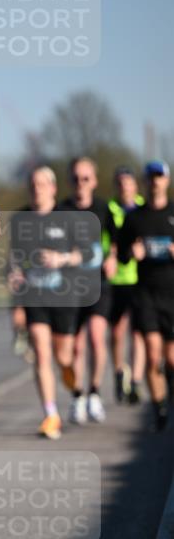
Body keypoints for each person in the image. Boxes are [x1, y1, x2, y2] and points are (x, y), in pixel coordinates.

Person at [7, 166, 82, 439]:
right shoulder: (20, 219)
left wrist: (61, 259)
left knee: (63, 356)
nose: (37, 188)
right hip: (34, 295)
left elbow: (83, 254)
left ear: (53, 188)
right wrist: (14, 278)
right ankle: (51, 414)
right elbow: (14, 259)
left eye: (42, 184)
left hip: (64, 296)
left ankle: (75, 388)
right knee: (41, 351)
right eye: (33, 184)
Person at [118, 161, 174, 431]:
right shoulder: (135, 217)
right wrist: (132, 253)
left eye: (159, 177)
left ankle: (169, 394)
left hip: (172, 294)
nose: (155, 181)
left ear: (167, 180)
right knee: (153, 356)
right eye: (151, 177)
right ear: (145, 181)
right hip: (146, 295)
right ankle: (160, 408)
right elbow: (121, 255)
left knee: (172, 357)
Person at [61, 157, 114, 424]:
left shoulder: (103, 208)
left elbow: (116, 239)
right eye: (75, 179)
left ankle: (95, 393)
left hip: (99, 283)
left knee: (96, 337)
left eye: (85, 178)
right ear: (70, 181)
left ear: (93, 181)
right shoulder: (63, 210)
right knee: (77, 348)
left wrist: (114, 256)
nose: (80, 184)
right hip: (72, 287)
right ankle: (78, 396)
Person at [107, 167, 145, 403]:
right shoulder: (109, 209)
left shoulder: (143, 208)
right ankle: (120, 370)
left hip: (140, 278)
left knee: (139, 332)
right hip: (116, 278)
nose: (125, 188)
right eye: (120, 184)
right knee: (118, 332)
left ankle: (136, 380)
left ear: (135, 186)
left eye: (128, 183)